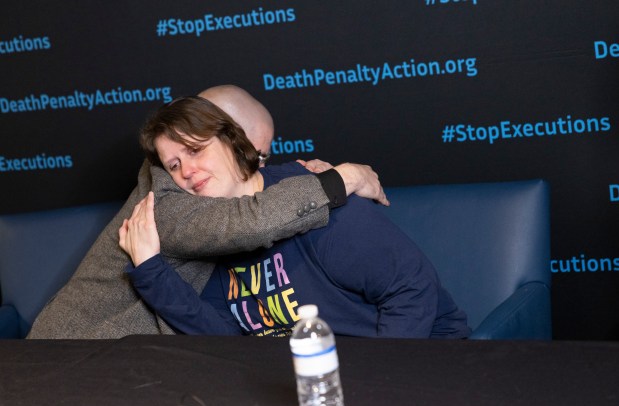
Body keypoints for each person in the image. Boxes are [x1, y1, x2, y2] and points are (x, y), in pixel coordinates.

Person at [26, 86, 386, 339]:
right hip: (73, 358)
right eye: (251, 152)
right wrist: (346, 176)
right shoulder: (165, 200)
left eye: (263, 158)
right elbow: (251, 221)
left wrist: (297, 173)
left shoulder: (201, 189)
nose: (256, 166)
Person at [120, 96, 471, 339]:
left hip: (419, 359)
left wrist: (375, 386)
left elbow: (412, 288)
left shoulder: (317, 202)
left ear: (231, 139)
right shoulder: (215, 235)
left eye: (195, 150)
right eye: (174, 166)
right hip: (323, 380)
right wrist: (151, 270)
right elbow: (223, 338)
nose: (187, 172)